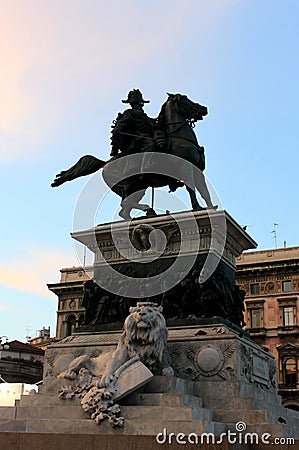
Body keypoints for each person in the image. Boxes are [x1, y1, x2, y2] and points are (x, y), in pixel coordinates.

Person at [110, 89, 165, 157]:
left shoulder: (145, 116)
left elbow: (153, 124)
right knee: (150, 145)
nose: (136, 102)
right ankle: (145, 166)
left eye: (137, 99)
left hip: (150, 136)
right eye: (134, 100)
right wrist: (118, 128)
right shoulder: (129, 113)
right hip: (138, 138)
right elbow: (122, 122)